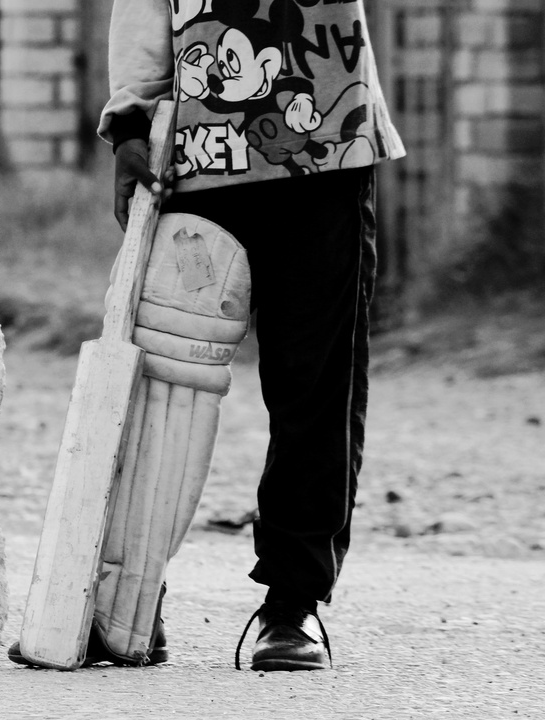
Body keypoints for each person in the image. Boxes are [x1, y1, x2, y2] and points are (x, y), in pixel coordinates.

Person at [103, 0, 404, 670]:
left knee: (314, 385)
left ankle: (292, 607)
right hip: (195, 153)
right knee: (158, 380)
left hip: (327, 141)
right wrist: (130, 119)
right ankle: (128, 593)